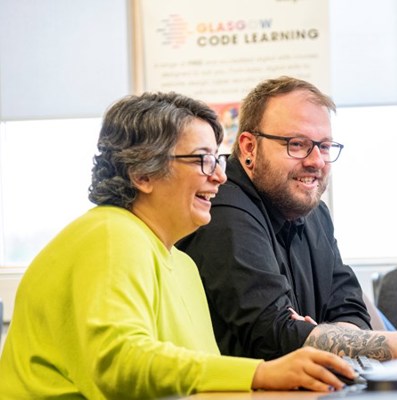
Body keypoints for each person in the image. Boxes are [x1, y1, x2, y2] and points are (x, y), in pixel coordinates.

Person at [0, 92, 356, 399]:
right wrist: (261, 373)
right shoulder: (111, 234)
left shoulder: (182, 264)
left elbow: (196, 379)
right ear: (142, 173)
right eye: (202, 159)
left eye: (217, 159)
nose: (219, 175)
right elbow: (120, 364)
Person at [177, 76, 397, 362]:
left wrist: (323, 336)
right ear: (249, 148)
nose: (316, 161)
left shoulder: (314, 213)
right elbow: (275, 336)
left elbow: (352, 309)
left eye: (324, 146)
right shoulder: (222, 209)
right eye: (297, 144)